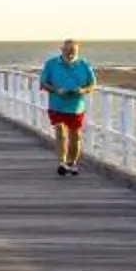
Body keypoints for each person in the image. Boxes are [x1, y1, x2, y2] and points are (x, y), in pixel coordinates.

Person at [40, 37, 96, 175]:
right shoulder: (51, 64)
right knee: (60, 131)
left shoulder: (84, 65)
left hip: (76, 106)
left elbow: (92, 84)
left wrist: (82, 90)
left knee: (75, 135)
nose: (70, 53)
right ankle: (62, 162)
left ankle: (72, 162)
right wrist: (56, 90)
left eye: (73, 50)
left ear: (77, 50)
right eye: (67, 50)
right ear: (62, 50)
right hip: (57, 105)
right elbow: (43, 83)